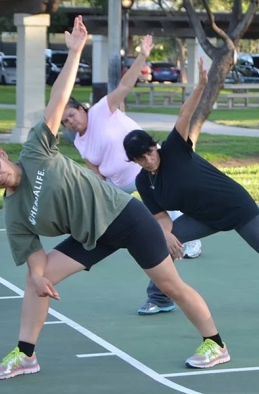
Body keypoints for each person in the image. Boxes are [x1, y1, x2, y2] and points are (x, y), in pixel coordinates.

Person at [0, 17, 230, 379]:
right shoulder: (13, 211)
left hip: (124, 216)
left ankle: (215, 343)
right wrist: (39, 278)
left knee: (170, 286)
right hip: (92, 237)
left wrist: (74, 52)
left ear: (0, 154)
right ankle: (26, 355)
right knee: (35, 282)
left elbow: (58, 100)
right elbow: (33, 255)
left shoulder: (36, 150)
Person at [123, 57, 259, 315]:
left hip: (235, 206)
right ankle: (160, 298)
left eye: (149, 153)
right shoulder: (145, 181)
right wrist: (167, 234)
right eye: (140, 159)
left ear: (155, 147)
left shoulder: (175, 150)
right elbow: (161, 217)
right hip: (203, 217)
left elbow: (185, 114)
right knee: (161, 243)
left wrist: (200, 86)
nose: (148, 160)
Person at [61, 35, 202, 271]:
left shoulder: (102, 110)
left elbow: (125, 85)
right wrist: (102, 194)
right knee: (103, 211)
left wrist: (143, 56)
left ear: (80, 109)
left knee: (168, 208)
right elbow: (95, 170)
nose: (70, 122)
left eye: (72, 115)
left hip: (145, 170)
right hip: (119, 184)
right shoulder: (79, 142)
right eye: (65, 121)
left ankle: (191, 241)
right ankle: (96, 244)